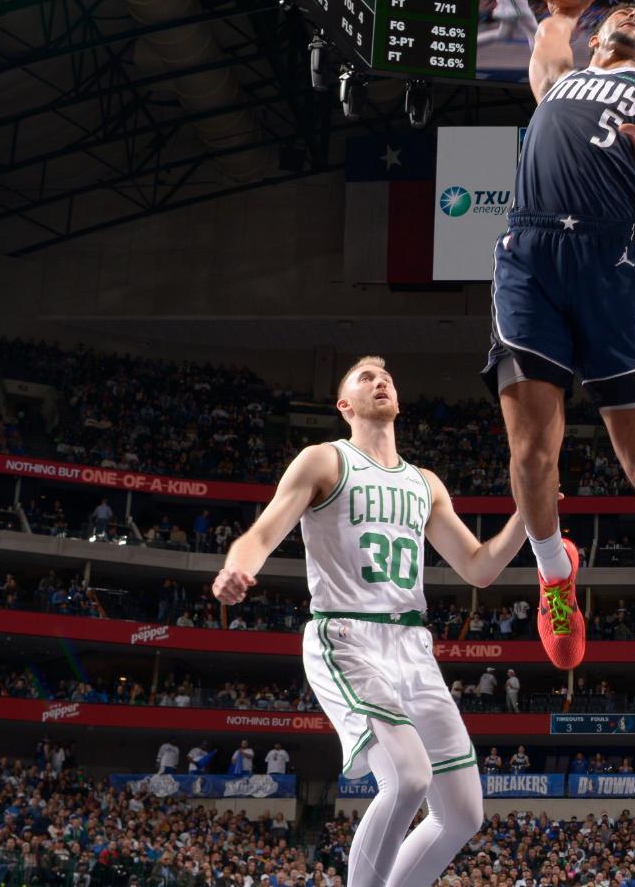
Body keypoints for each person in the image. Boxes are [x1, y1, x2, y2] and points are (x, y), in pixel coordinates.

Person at [213, 355, 530, 887]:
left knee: (463, 813)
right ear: (345, 405)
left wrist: (527, 516)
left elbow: (479, 567)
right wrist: (236, 568)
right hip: (347, 635)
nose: (380, 382)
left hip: (412, 645)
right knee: (407, 778)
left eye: (386, 378)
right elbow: (264, 532)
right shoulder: (324, 461)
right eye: (366, 378)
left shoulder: (424, 483)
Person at [489, 0, 635, 696]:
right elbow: (554, 22)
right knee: (531, 455)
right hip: (530, 253)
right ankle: (554, 577)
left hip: (609, 263)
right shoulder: (557, 73)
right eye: (623, 12)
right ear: (601, 30)